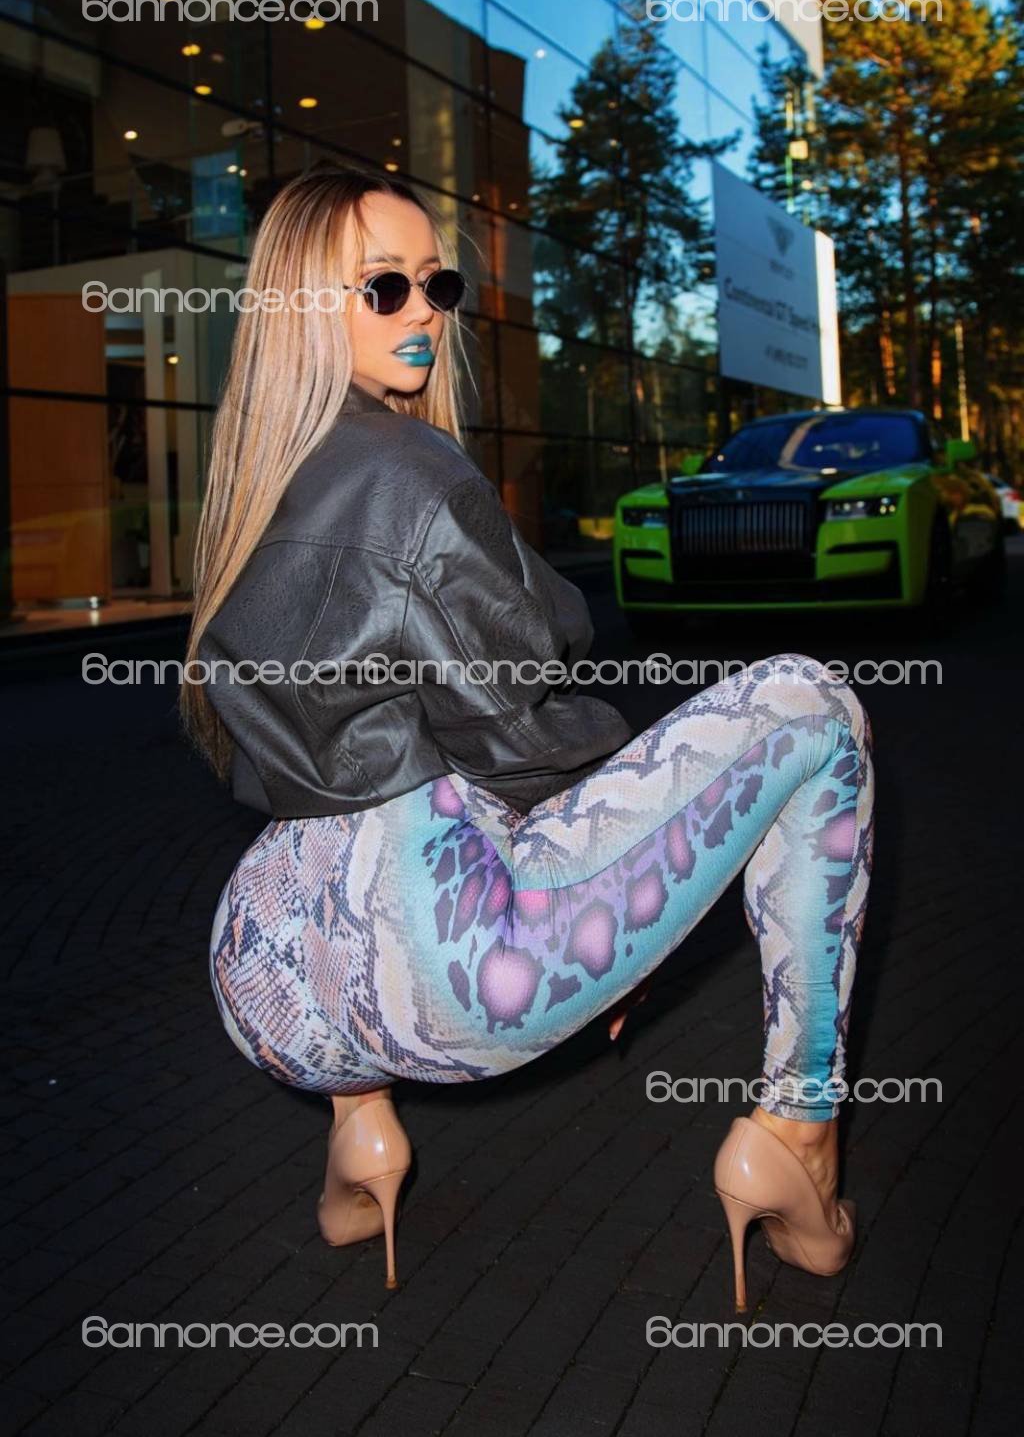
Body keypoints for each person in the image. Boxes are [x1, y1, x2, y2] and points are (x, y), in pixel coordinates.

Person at [181, 166, 875, 1309]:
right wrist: (635, 905)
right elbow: (522, 732)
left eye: (436, 284)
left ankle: (360, 1132)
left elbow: (268, 750)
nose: (423, 311)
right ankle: (799, 1129)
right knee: (816, 708)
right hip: (447, 972)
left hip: (266, 975)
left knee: (403, 799)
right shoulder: (412, 473)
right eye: (384, 287)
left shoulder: (247, 492)